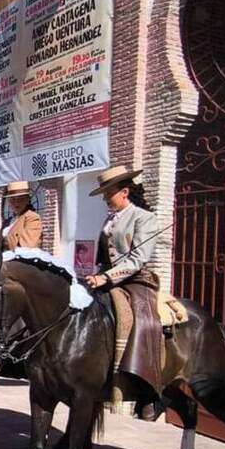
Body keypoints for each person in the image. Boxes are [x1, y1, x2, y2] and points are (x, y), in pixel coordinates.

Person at [83, 166, 162, 421]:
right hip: (104, 279)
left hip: (134, 280)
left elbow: (138, 259)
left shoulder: (144, 218)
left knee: (138, 321)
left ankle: (145, 387)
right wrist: (96, 275)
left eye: (109, 193)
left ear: (125, 192)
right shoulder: (111, 218)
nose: (106, 198)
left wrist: (106, 277)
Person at [0, 181, 42, 251]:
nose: (16, 203)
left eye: (20, 199)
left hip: (18, 259)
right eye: (13, 199)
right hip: (1, 259)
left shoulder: (32, 217)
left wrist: (5, 241)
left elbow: (27, 245)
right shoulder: (7, 222)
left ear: (27, 200)